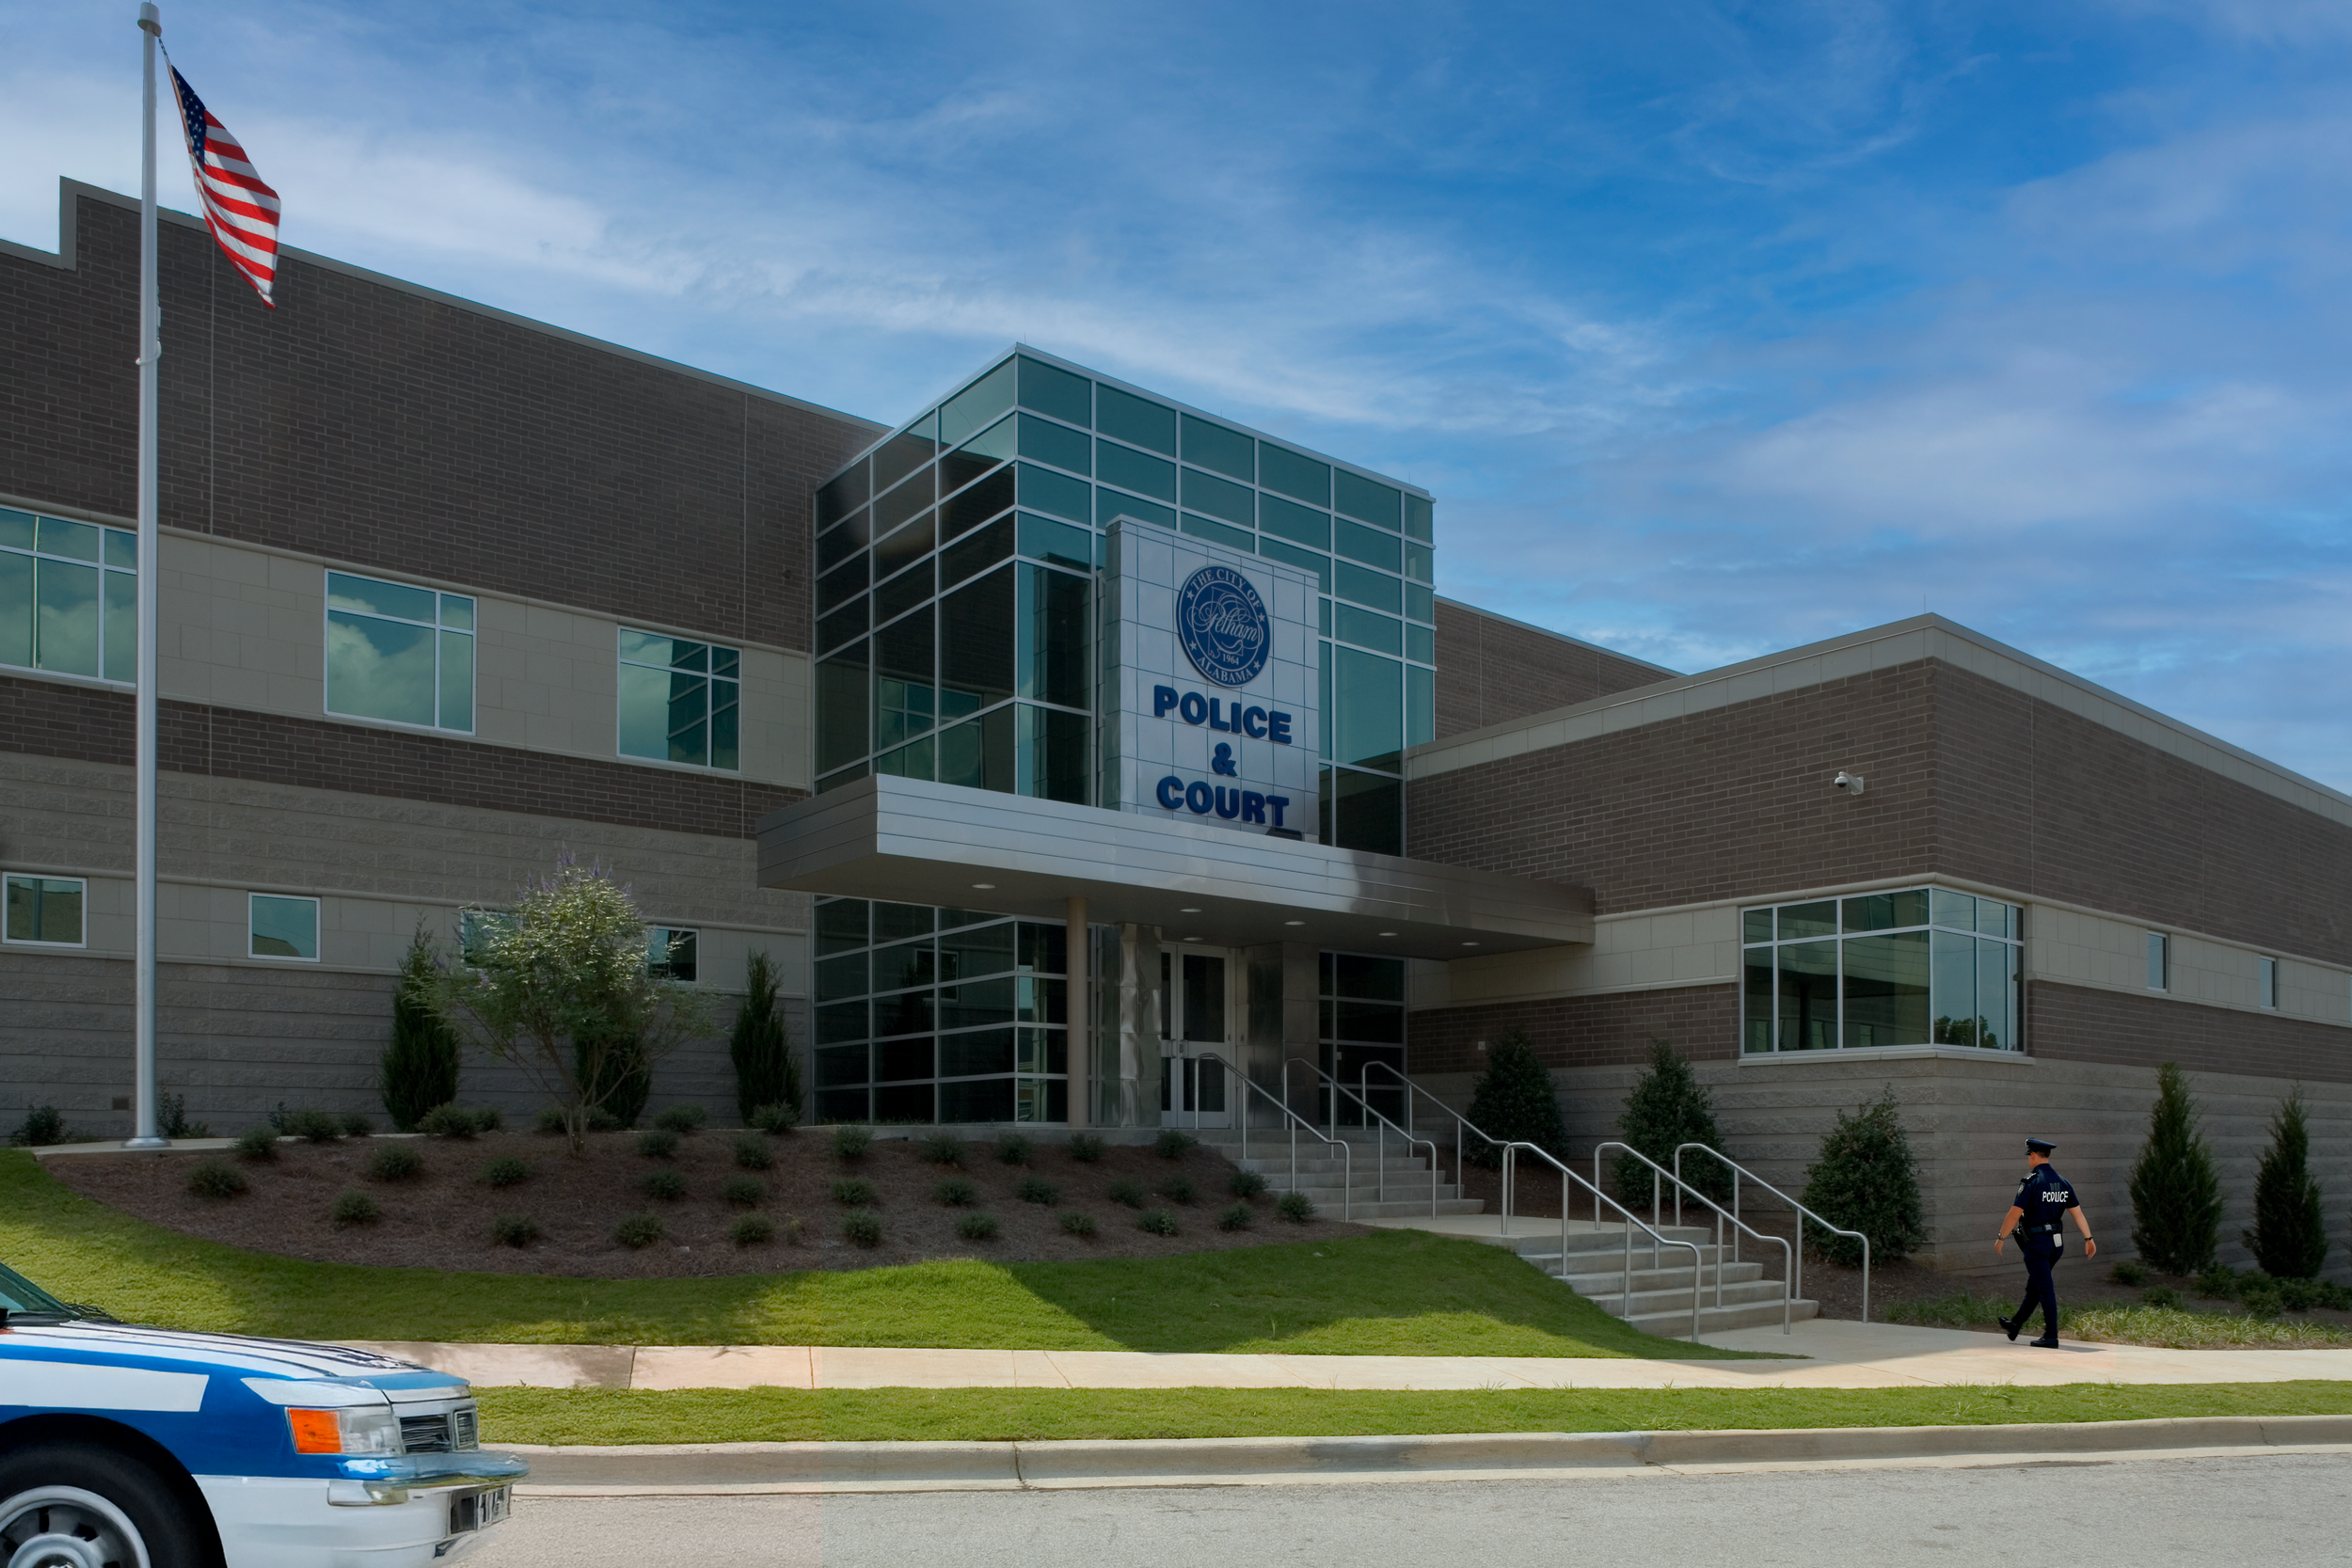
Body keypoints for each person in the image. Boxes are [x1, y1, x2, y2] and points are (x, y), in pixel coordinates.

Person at [1994, 1136, 2095, 1347]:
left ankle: (2051, 1336)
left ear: (2033, 1155)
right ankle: (2015, 1325)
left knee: (2045, 1289)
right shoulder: (2063, 1182)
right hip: (2056, 1245)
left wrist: (2001, 1238)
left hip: (2037, 1244)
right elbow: (2078, 1214)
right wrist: (2089, 1238)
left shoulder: (2032, 1181)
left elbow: (2014, 1214)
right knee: (2036, 1286)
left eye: (2028, 1156)